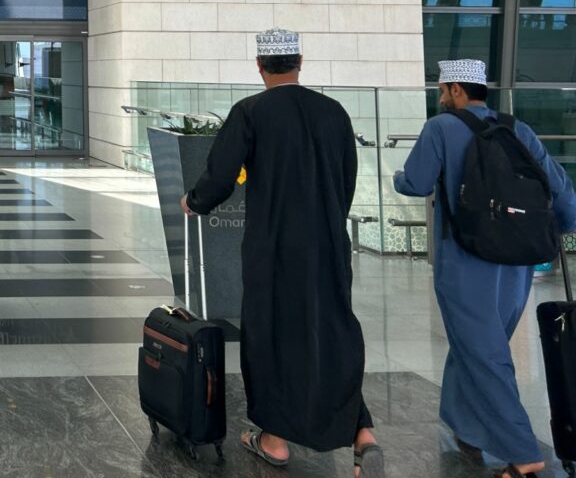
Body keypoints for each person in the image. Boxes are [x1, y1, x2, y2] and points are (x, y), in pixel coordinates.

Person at [181, 28, 382, 477]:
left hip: (273, 245)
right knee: (331, 328)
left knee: (271, 332)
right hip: (329, 242)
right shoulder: (334, 112)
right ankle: (361, 428)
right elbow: (347, 178)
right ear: (300, 61)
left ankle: (273, 439)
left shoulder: (251, 111)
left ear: (259, 66)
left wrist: (195, 202)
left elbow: (221, 174)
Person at [394, 59, 576, 478]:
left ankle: (523, 453)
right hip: (514, 265)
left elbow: (417, 183)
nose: (441, 97)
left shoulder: (441, 128)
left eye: (443, 90)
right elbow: (559, 189)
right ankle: (466, 427)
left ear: (458, 90)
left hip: (465, 263)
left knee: (485, 356)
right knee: (475, 347)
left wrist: (399, 178)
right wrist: (561, 229)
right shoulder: (518, 129)